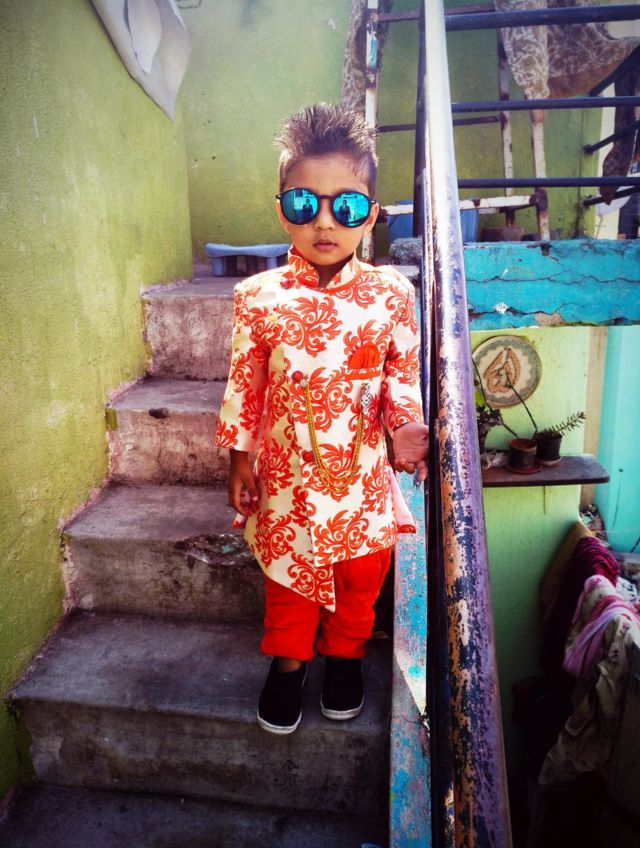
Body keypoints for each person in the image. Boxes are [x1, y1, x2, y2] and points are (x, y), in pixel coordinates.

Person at [215, 103, 429, 735]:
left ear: (372, 212)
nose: (326, 222)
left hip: (361, 477)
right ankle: (288, 665)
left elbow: (400, 376)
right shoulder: (259, 298)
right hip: (288, 479)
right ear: (284, 209)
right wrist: (239, 457)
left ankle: (345, 660)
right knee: (290, 579)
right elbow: (246, 384)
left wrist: (406, 428)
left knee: (361, 578)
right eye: (306, 203)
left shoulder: (393, 296)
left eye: (348, 205)